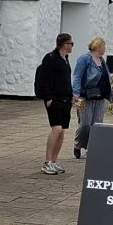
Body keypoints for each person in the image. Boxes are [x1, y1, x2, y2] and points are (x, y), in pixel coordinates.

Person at [33, 32, 74, 175]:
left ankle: (54, 161)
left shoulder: (65, 59)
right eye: (71, 44)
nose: (72, 46)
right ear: (64, 45)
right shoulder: (50, 58)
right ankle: (47, 162)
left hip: (65, 100)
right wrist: (48, 98)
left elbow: (66, 80)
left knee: (62, 132)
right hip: (54, 99)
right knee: (56, 129)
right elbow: (44, 79)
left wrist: (71, 96)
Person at [71, 36, 112, 159]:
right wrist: (76, 93)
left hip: (100, 97)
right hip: (85, 96)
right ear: (98, 47)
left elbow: (107, 79)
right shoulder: (84, 59)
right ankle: (78, 145)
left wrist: (111, 94)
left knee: (97, 124)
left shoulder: (102, 61)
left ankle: (91, 148)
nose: (105, 49)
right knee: (85, 124)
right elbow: (77, 76)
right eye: (104, 46)